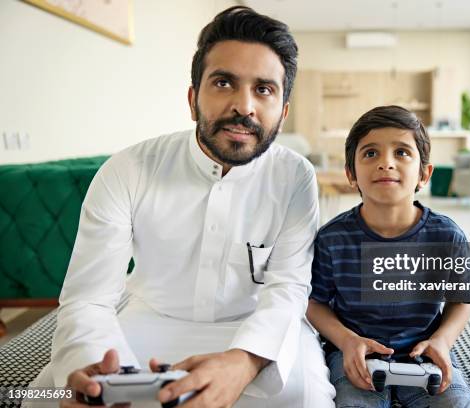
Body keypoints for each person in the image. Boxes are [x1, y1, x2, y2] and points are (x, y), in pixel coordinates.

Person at [30, 6, 335, 408]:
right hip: (149, 319)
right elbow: (88, 298)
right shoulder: (127, 169)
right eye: (224, 82)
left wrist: (243, 362)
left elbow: (288, 288)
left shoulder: (295, 176)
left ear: (283, 112)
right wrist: (96, 368)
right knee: (43, 396)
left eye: (264, 89)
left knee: (306, 400)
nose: (244, 106)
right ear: (193, 99)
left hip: (255, 329)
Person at [306, 105, 470, 408]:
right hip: (358, 356)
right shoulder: (332, 239)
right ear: (351, 174)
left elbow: (463, 298)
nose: (386, 163)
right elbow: (314, 302)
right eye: (371, 153)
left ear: (424, 174)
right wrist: (347, 342)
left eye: (401, 153)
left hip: (423, 355)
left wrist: (442, 340)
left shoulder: (447, 237)